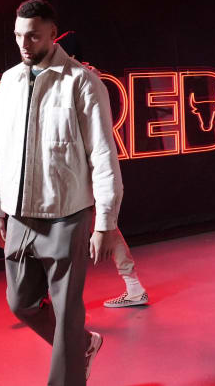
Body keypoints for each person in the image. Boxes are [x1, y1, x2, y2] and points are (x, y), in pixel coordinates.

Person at [0, 0, 123, 385]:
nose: (24, 44)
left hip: (67, 214)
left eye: (32, 36)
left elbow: (103, 155)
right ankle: (83, 346)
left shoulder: (81, 81)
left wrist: (105, 222)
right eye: (17, 36)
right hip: (18, 215)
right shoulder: (9, 81)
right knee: (21, 303)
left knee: (66, 311)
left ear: (51, 33)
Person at [54, 31, 150, 309]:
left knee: (91, 227)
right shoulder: (79, 78)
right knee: (102, 227)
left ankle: (54, 298)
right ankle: (133, 287)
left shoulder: (83, 80)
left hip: (84, 169)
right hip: (78, 168)